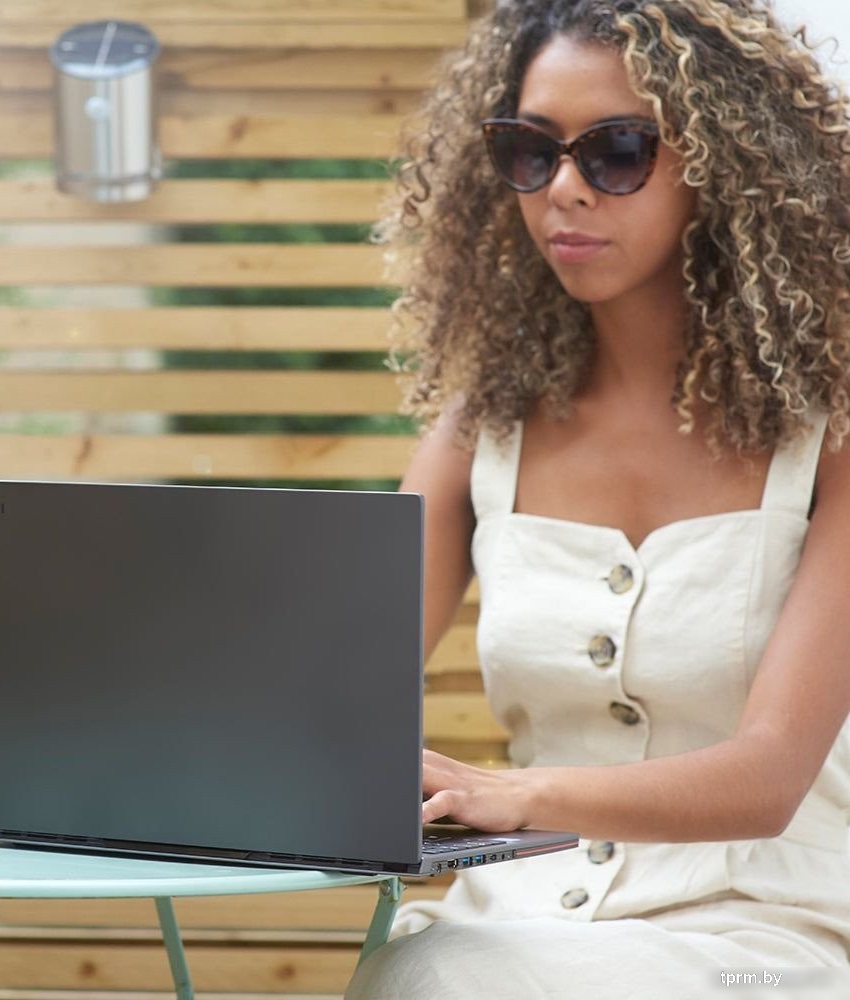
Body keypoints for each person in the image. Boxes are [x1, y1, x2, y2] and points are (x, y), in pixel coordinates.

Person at [345, 1, 850, 997]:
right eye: (530, 151)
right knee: (429, 976)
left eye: (616, 151)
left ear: (722, 165)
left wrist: (515, 793)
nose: (563, 189)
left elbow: (769, 776)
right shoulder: (480, 428)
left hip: (765, 930)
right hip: (508, 920)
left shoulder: (829, 436)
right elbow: (335, 689)